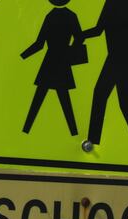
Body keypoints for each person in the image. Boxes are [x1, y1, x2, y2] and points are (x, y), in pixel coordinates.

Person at [83, 0, 128, 148]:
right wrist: (80, 35)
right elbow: (99, 30)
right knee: (124, 103)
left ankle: (93, 140)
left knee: (101, 95)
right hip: (119, 58)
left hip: (122, 58)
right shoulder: (111, 2)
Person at [20, 0, 86, 136]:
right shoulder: (71, 16)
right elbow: (79, 38)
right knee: (63, 98)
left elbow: (39, 44)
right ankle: (74, 133)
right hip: (62, 61)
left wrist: (23, 56)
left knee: (40, 98)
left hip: (50, 61)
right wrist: (69, 52)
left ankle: (26, 130)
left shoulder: (51, 16)